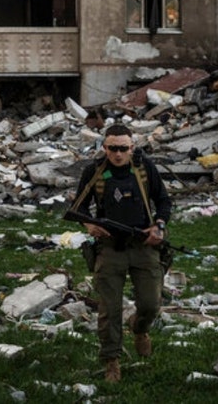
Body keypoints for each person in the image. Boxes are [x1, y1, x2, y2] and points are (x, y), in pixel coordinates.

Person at [68, 124, 172, 383]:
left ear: (131, 147)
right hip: (110, 249)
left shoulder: (144, 168)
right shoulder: (95, 172)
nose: (117, 154)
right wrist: (89, 224)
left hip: (144, 245)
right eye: (112, 148)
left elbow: (163, 200)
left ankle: (139, 328)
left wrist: (159, 226)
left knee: (151, 304)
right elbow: (77, 207)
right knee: (109, 310)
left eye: (123, 148)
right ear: (104, 147)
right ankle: (112, 361)